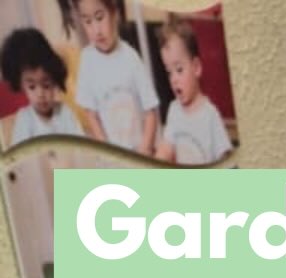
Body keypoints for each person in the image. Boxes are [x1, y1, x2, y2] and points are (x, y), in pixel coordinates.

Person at [74, 0, 157, 155]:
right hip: (110, 157)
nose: (96, 30)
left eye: (100, 18)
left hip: (138, 154)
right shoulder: (87, 60)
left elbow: (150, 110)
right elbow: (91, 114)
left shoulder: (131, 57)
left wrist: (145, 148)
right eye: (88, 22)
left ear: (114, 13)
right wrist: (107, 152)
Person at [154, 17, 231, 166]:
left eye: (179, 70)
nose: (173, 79)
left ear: (196, 68)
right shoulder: (174, 110)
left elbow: (226, 160)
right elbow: (166, 148)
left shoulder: (210, 115)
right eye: (169, 72)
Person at [1, 27, 83, 143]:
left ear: (54, 80)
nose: (40, 94)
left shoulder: (65, 113)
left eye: (46, 85)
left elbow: (81, 145)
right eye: (32, 87)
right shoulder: (24, 119)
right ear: (22, 85)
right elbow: (21, 153)